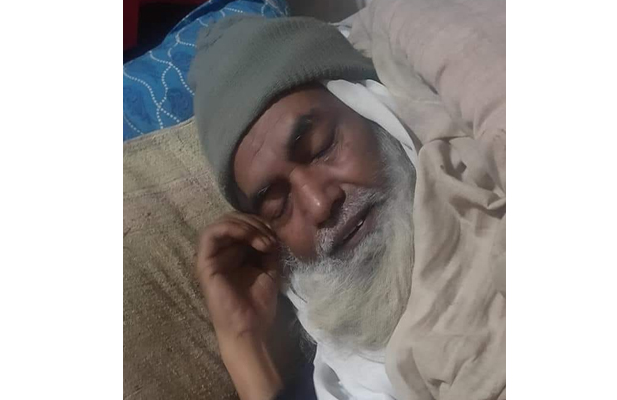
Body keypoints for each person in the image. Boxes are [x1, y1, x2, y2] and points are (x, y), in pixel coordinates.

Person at [193, 6, 505, 400]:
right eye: (277, 205)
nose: (318, 204)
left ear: (371, 107)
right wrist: (242, 343)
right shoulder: (345, 379)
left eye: (321, 147)